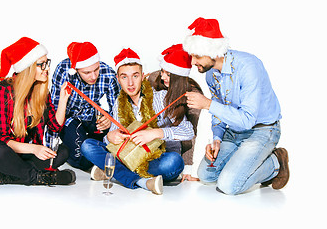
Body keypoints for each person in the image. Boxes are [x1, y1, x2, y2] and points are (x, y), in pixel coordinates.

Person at [183, 18, 289, 195]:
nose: (193, 61)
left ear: (213, 52)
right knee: (205, 175)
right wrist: (217, 138)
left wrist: (207, 104)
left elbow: (247, 120)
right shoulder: (211, 75)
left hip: (261, 130)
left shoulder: (248, 67)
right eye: (192, 55)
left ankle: (275, 163)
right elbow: (219, 111)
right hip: (233, 131)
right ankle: (241, 162)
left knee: (229, 185)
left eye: (197, 56)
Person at [81, 48, 194, 195]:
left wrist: (156, 133)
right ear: (118, 79)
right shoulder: (118, 103)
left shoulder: (161, 98)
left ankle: (112, 172)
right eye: (124, 77)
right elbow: (110, 144)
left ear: (143, 76)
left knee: (174, 162)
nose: (130, 83)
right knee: (87, 146)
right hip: (128, 155)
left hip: (158, 158)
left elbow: (188, 130)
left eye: (135, 76)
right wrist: (110, 136)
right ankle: (142, 181)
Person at [0, 37, 75, 188]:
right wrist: (35, 149)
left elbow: (55, 127)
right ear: (28, 67)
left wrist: (63, 100)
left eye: (47, 63)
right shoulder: (2, 90)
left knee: (63, 151)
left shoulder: (40, 92)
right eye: (42, 65)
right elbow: (1, 138)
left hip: (21, 158)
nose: (47, 68)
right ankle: (42, 177)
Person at [47, 42, 120, 171]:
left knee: (114, 141)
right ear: (76, 70)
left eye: (96, 69)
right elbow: (54, 112)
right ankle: (89, 151)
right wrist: (50, 151)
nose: (93, 76)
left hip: (93, 116)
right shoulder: (63, 71)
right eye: (87, 72)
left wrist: (110, 118)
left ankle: (96, 149)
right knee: (82, 161)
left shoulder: (108, 74)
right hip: (69, 119)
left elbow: (119, 108)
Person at [147, 44, 203, 182]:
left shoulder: (193, 94)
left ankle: (130, 171)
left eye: (169, 74)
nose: (163, 76)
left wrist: (188, 168)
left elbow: (190, 132)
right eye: (162, 71)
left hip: (169, 146)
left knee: (172, 162)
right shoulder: (155, 78)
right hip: (146, 142)